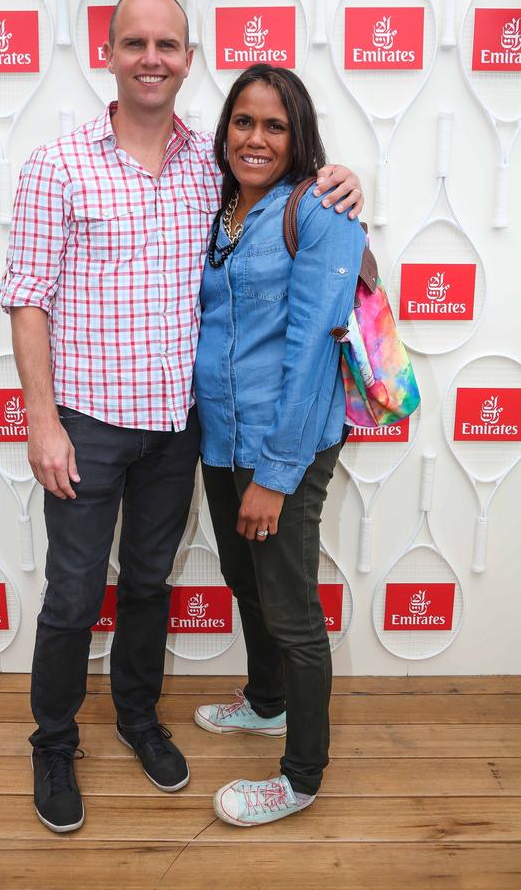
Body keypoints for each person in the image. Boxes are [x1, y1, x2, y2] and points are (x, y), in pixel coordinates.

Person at [0, 0, 364, 834]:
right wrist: (42, 420)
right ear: (112, 54)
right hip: (87, 422)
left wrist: (335, 177)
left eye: (168, 44)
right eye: (135, 43)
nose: (151, 57)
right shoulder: (57, 165)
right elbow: (26, 298)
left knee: (150, 585)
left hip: (178, 428)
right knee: (72, 593)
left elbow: (298, 218)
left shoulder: (215, 164)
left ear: (190, 58)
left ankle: (135, 718)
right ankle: (53, 743)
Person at [192, 63, 365, 826]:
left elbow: (312, 354)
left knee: (291, 611)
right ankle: (265, 704)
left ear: (299, 138)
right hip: (221, 439)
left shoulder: (320, 210)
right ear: (224, 128)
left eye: (274, 125)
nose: (255, 138)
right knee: (245, 583)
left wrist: (277, 474)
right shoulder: (223, 209)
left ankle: (301, 777)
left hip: (282, 446)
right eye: (242, 121)